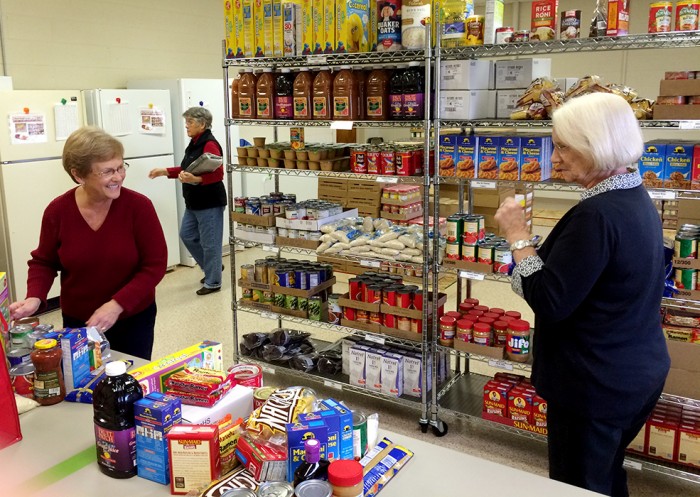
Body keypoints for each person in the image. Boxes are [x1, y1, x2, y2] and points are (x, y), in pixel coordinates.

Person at [494, 93, 670, 497]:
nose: (554, 156)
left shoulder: (597, 215)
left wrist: (518, 237)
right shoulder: (634, 196)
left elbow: (550, 300)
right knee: (604, 474)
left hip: (595, 384)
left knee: (579, 485)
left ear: (596, 147)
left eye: (563, 146)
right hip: (631, 369)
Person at [10, 126, 167, 360]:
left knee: (130, 382)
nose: (118, 177)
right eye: (107, 172)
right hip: (78, 321)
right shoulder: (58, 211)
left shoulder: (139, 207)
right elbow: (44, 261)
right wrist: (35, 296)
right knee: (81, 387)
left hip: (132, 318)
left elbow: (154, 265)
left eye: (121, 167)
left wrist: (116, 305)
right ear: (78, 175)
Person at [149, 107, 226, 296]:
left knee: (210, 243)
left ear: (202, 124)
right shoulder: (195, 142)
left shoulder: (210, 144)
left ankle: (213, 281)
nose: (187, 125)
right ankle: (213, 267)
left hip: (209, 202)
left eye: (190, 122)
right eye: (187, 121)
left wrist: (196, 180)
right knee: (188, 235)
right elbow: (188, 168)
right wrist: (165, 171)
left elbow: (218, 174)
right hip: (194, 202)